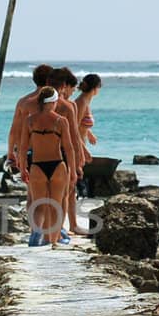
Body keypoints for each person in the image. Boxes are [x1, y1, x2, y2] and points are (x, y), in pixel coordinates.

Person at [23, 86, 75, 248]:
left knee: (40, 205)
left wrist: (23, 167)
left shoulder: (30, 120)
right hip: (57, 165)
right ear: (53, 102)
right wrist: (73, 170)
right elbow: (68, 148)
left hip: (37, 166)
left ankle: (37, 236)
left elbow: (24, 147)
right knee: (56, 205)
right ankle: (52, 241)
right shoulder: (61, 121)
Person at [51, 68, 86, 239]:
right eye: (71, 88)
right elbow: (74, 137)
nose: (72, 92)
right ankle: (59, 231)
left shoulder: (35, 103)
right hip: (63, 154)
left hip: (40, 154)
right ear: (65, 85)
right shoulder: (67, 106)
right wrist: (78, 163)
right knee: (64, 194)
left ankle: (47, 230)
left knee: (46, 195)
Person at [6, 64, 57, 179]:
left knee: (33, 191)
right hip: (51, 154)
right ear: (51, 80)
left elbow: (14, 130)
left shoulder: (23, 102)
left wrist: (11, 153)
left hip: (27, 153)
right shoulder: (54, 103)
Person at [73, 73, 102, 206]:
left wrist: (89, 133)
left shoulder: (86, 101)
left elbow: (79, 124)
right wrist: (84, 150)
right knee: (77, 180)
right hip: (75, 146)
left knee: (79, 179)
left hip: (81, 144)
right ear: (96, 87)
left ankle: (76, 210)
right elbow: (73, 129)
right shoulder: (81, 102)